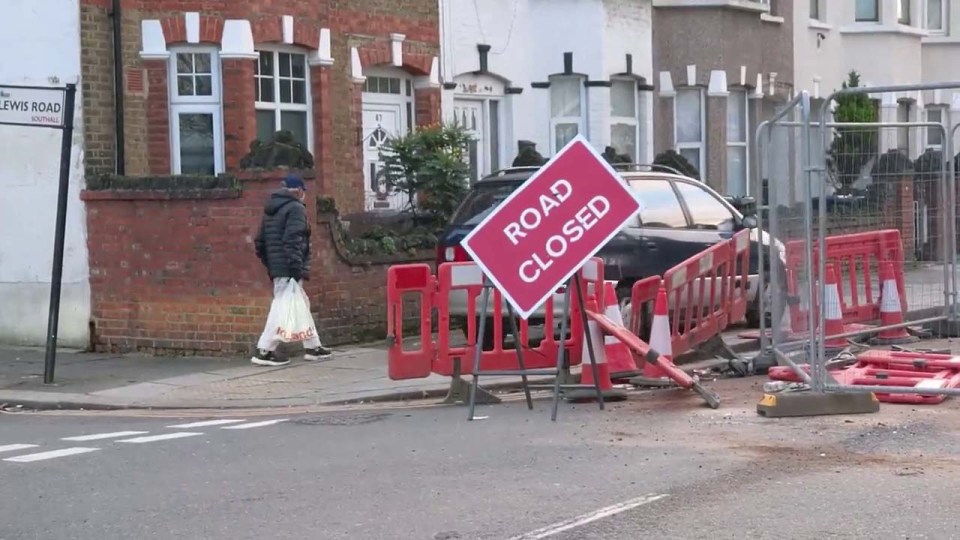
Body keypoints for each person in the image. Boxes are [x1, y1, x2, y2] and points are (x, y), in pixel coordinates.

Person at [251, 175, 332, 366]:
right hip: (289, 267)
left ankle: (314, 347)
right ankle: (264, 351)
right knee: (281, 307)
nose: (304, 195)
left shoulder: (271, 208)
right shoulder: (295, 208)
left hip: (278, 267)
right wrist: (295, 268)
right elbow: (294, 239)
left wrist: (272, 264)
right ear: (297, 191)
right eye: (303, 191)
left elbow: (259, 242)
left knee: (301, 303)